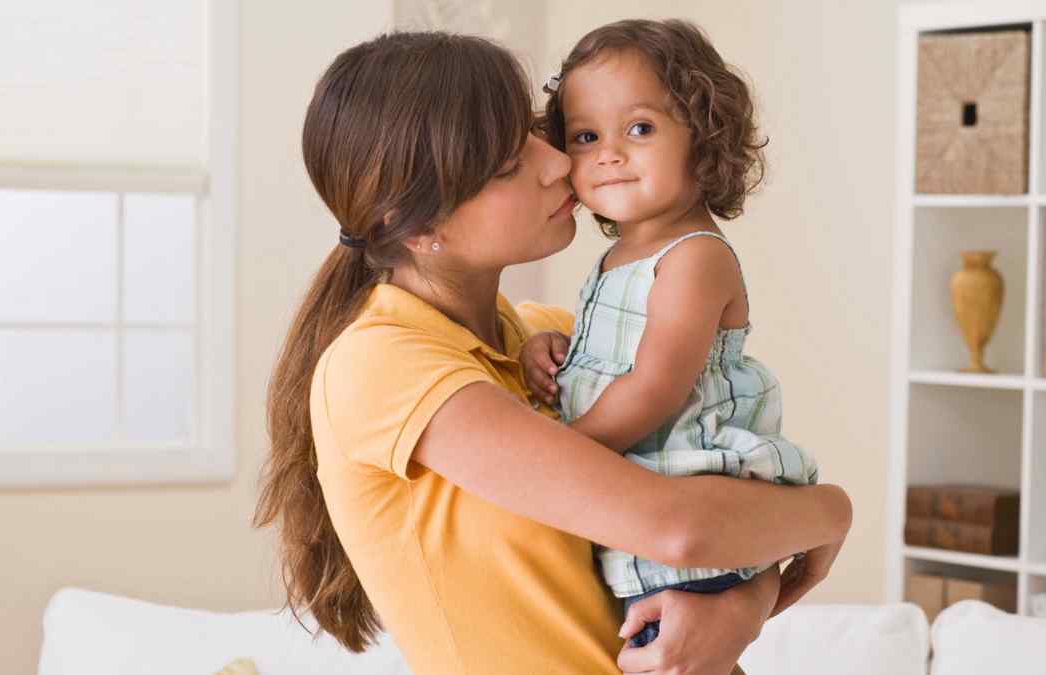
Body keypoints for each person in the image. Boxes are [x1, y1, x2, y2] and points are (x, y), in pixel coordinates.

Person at [254, 30, 852, 675]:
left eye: (537, 134)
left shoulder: (561, 340)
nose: (560, 163)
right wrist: (829, 513)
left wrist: (741, 605)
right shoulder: (381, 366)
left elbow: (712, 522)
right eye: (510, 164)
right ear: (420, 226)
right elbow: (682, 529)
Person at [521, 19, 825, 654]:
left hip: (684, 545)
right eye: (585, 136)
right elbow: (609, 358)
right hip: (639, 533)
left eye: (639, 129)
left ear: (704, 136)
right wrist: (554, 351)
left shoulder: (694, 256)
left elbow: (654, 388)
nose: (609, 154)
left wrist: (559, 457)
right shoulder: (621, 257)